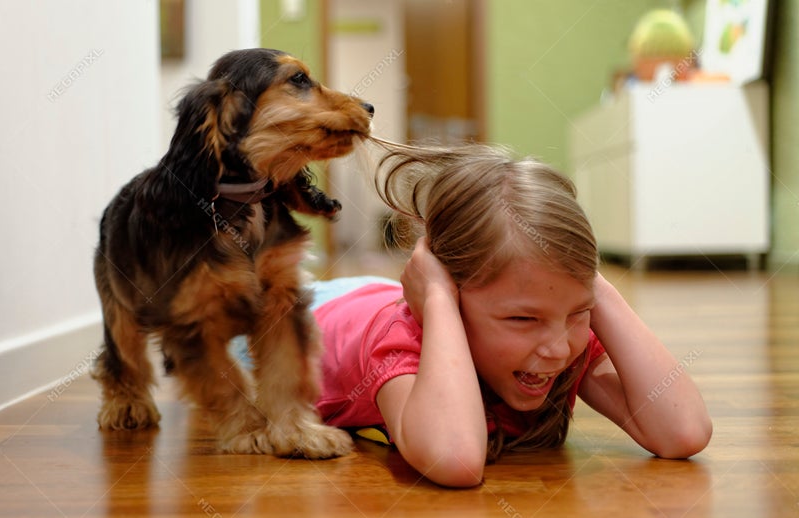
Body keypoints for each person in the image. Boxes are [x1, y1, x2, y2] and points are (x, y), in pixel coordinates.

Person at [239, 142, 713, 488]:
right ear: (448, 299)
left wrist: (598, 290)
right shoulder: (404, 338)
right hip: (308, 319)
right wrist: (440, 303)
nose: (558, 349)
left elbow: (684, 431)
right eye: (523, 321)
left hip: (378, 297)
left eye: (578, 311)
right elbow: (456, 460)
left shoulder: (557, 326)